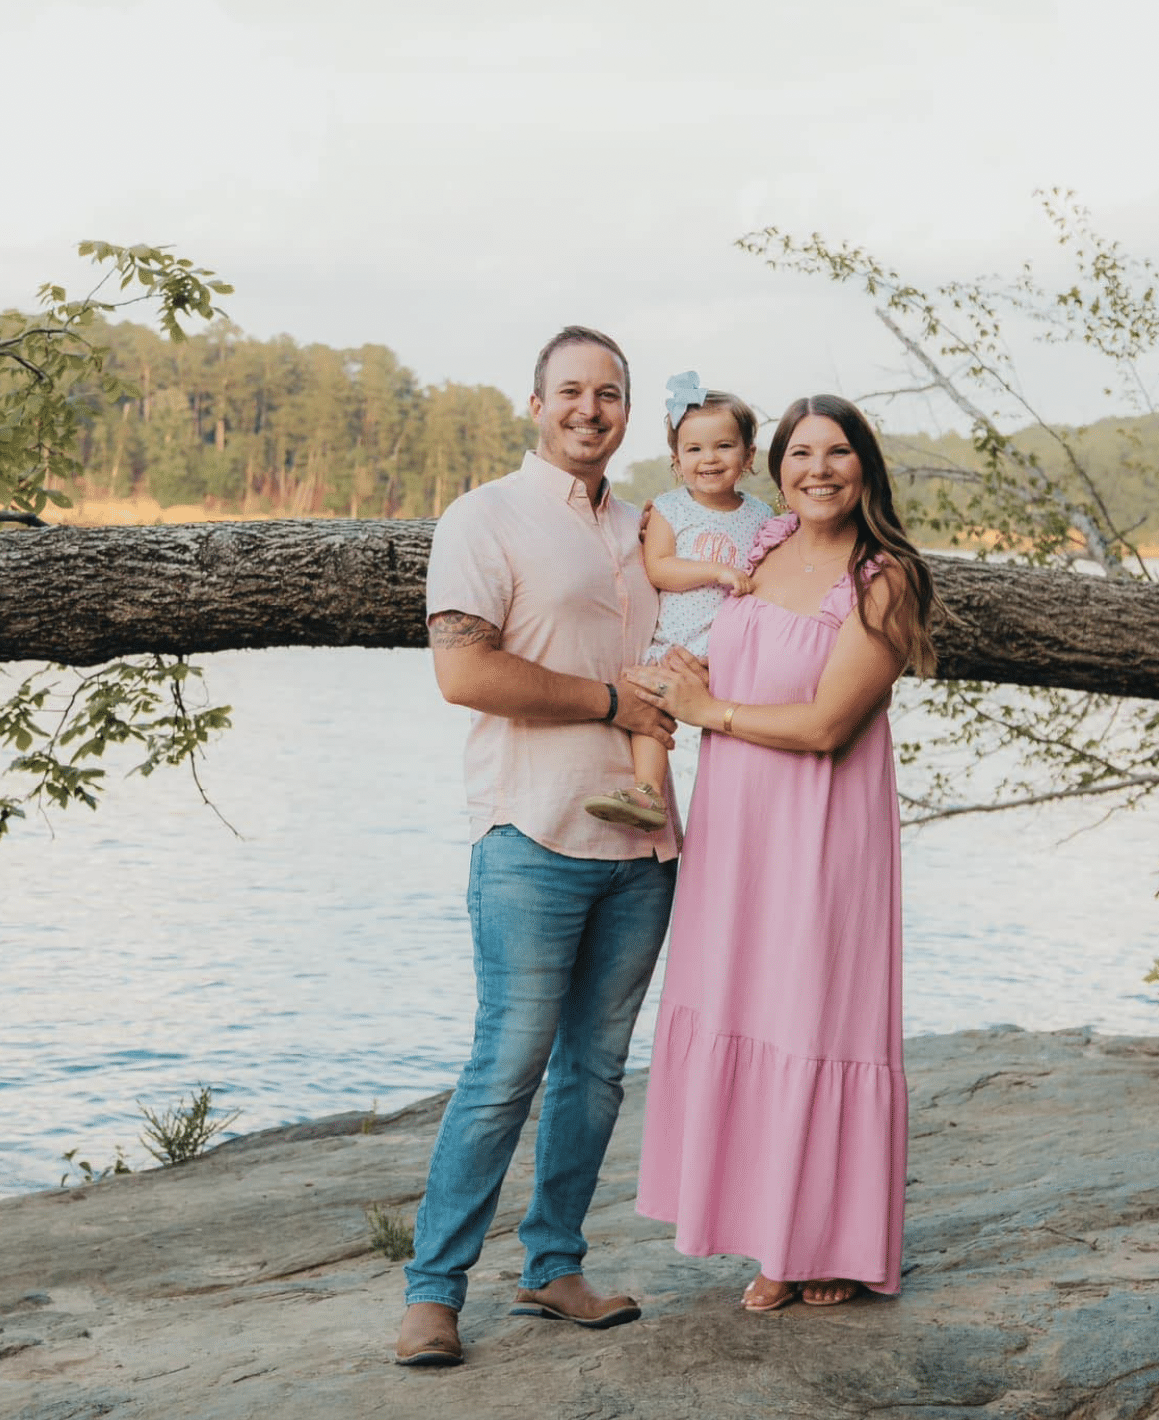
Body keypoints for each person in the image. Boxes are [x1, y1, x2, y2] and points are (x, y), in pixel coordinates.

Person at [395, 326, 680, 1366]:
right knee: (507, 1060)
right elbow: (464, 675)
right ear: (535, 402)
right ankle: (433, 1290)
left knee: (596, 1069)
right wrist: (612, 699)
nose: (588, 409)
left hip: (644, 846)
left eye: (609, 394)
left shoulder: (647, 530)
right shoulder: (486, 516)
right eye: (570, 391)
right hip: (531, 830)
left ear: (626, 411)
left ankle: (554, 1264)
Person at [628, 394, 942, 1311]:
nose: (818, 469)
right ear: (777, 467)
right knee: (746, 1002)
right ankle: (763, 1228)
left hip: (819, 825)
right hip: (737, 821)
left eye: (838, 453)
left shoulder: (885, 577)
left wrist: (708, 711)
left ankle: (821, 1242)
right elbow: (737, 662)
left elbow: (826, 725)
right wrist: (686, 683)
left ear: (865, 466)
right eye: (801, 453)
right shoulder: (759, 549)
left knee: (813, 1012)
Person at [583, 373, 774, 831]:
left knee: (741, 728)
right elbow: (660, 567)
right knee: (650, 698)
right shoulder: (670, 510)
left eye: (723, 447)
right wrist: (715, 571)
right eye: (694, 449)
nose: (709, 459)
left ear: (748, 457)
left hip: (736, 651)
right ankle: (648, 792)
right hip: (680, 644)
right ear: (676, 461)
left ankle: (750, 811)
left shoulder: (762, 515)